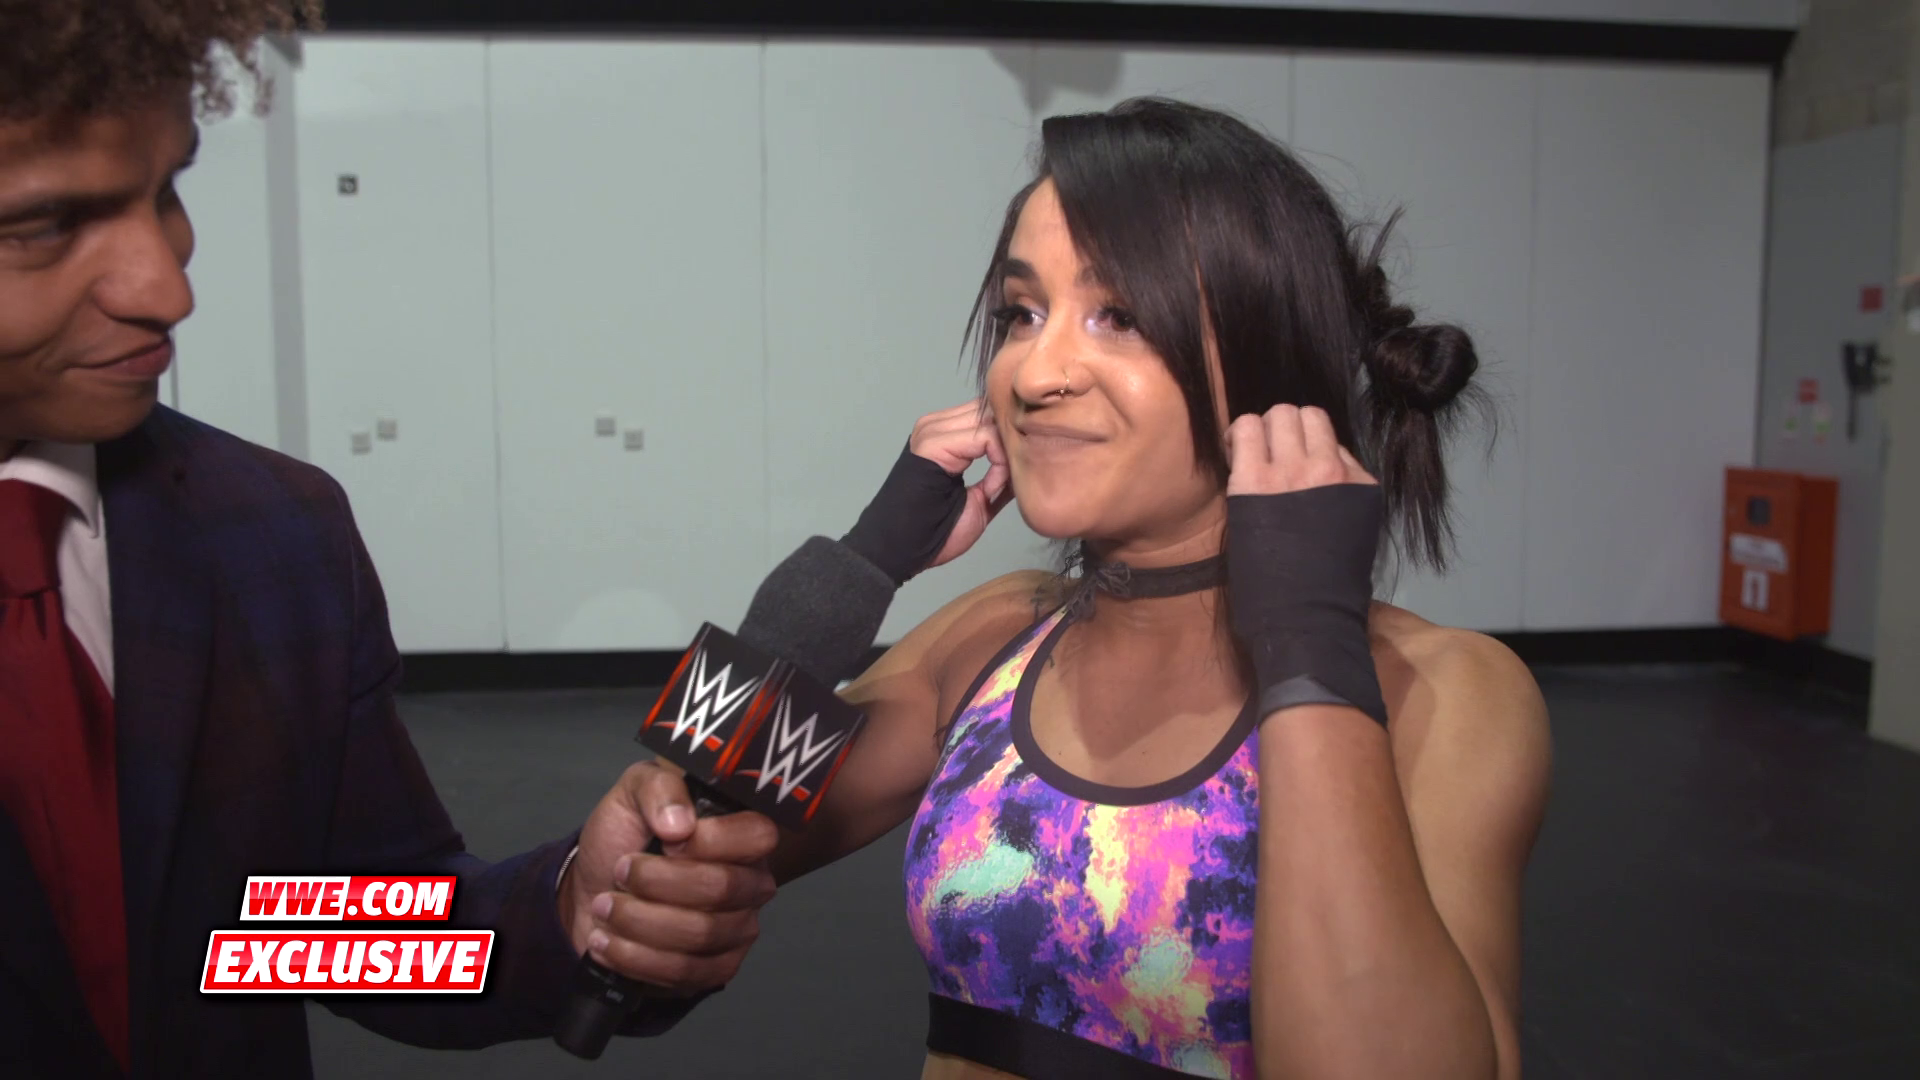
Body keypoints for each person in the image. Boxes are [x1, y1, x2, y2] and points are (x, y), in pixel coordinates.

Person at [0, 5, 777, 1077]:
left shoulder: (273, 535)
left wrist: (569, 908)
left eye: (167, 191)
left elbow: (302, 938)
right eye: (43, 226)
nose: (167, 288)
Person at [763, 98, 1553, 1080]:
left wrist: (1309, 645)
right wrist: (861, 562)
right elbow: (697, 826)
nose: (1035, 373)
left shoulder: (1444, 693)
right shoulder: (994, 638)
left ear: (1267, 355)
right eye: (1021, 314)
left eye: (1120, 316)